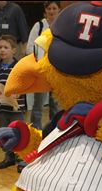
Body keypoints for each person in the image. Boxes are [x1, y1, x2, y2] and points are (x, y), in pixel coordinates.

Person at [0, 35, 27, 173]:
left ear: (13, 50)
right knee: (5, 133)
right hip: (3, 107)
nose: (2, 50)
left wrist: (19, 92)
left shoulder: (18, 67)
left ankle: (21, 158)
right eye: (0, 47)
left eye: (6, 47)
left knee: (19, 132)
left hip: (16, 107)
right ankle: (9, 157)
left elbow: (24, 85)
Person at [26, 1, 61, 129]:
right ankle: (36, 132)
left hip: (57, 72)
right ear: (45, 10)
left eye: (54, 8)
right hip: (41, 71)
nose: (51, 11)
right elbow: (29, 48)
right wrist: (42, 58)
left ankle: (54, 132)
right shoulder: (39, 26)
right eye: (49, 8)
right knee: (38, 105)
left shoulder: (62, 26)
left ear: (59, 10)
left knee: (56, 105)